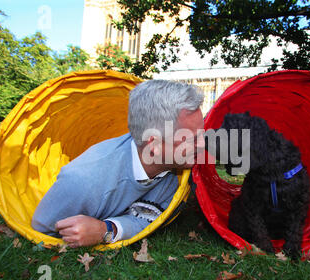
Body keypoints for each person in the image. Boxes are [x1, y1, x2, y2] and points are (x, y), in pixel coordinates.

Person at [31, 80, 205, 248]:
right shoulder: (84, 181)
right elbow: (40, 229)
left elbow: (151, 219)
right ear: (155, 145)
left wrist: (106, 229)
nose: (203, 144)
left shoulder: (175, 171)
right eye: (192, 139)